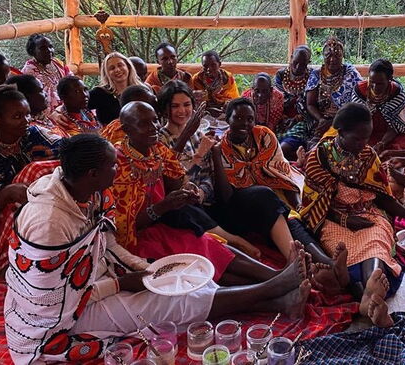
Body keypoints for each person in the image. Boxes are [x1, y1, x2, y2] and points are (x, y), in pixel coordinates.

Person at [4, 134, 311, 365]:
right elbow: (50, 300)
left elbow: (107, 243)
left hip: (94, 285)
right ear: (92, 174)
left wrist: (145, 269)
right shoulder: (49, 223)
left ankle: (281, 301)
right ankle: (274, 288)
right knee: (172, 305)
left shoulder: (86, 193)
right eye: (113, 164)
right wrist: (122, 284)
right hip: (59, 320)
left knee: (181, 281)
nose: (118, 168)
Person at [113, 102, 295, 286]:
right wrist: (163, 206)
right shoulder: (118, 164)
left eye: (154, 121)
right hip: (138, 237)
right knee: (198, 255)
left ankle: (276, 278)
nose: (153, 128)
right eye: (144, 123)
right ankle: (274, 282)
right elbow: (124, 228)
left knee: (206, 243)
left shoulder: (157, 149)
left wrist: (188, 191)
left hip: (175, 217)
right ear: (126, 129)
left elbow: (179, 180)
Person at [299, 103, 405, 304]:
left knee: (375, 244)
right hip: (331, 218)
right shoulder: (319, 157)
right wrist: (345, 219)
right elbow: (312, 204)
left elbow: (383, 197)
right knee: (342, 248)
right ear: (340, 132)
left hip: (369, 215)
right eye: (357, 138)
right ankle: (364, 291)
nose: (363, 143)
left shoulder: (368, 155)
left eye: (367, 137)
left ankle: (369, 286)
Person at [0, 85, 62, 272]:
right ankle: (2, 255)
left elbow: (67, 148)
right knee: (19, 191)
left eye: (27, 114)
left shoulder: (34, 135)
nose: (26, 121)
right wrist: (8, 192)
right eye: (17, 116)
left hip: (35, 200)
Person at [157, 82, 261, 259]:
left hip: (203, 203)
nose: (182, 111)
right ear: (165, 109)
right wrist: (198, 157)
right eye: (175, 106)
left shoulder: (198, 135)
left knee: (255, 198)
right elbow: (172, 184)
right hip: (182, 206)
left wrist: (202, 193)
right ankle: (233, 240)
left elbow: (208, 176)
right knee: (181, 205)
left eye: (186, 105)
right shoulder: (161, 139)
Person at [212, 98, 302, 261]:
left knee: (294, 219)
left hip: (271, 200)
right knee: (267, 199)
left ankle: (320, 261)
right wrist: (216, 157)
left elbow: (284, 174)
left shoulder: (264, 137)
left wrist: (297, 203)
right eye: (237, 118)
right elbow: (225, 198)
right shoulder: (222, 148)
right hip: (241, 206)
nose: (244, 123)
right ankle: (298, 260)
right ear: (227, 120)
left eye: (249, 119)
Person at [303, 36, 362, 149]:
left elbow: (357, 107)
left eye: (337, 55)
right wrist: (322, 120)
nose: (332, 59)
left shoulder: (351, 74)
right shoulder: (316, 74)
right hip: (320, 121)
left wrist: (333, 122)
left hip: (345, 122)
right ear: (323, 56)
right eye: (328, 55)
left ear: (342, 56)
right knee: (315, 147)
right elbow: (310, 104)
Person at [352, 59, 405, 154]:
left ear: (389, 79)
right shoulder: (359, 91)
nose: (375, 86)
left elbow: (395, 126)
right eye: (372, 81)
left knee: (399, 152)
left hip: (392, 135)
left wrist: (381, 143)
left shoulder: (396, 93)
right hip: (364, 134)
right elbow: (356, 124)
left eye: (380, 84)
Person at [88, 52, 149, 125]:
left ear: (128, 67)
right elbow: (78, 107)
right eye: (112, 68)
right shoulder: (99, 93)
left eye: (120, 65)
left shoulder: (141, 91)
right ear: (106, 73)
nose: (117, 70)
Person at [275, 46, 313, 156]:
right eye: (295, 62)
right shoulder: (281, 75)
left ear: (308, 63)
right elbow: (278, 100)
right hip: (281, 119)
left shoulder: (312, 75)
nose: (297, 67)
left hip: (302, 121)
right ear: (291, 58)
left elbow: (310, 104)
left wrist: (296, 119)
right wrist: (283, 118)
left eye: (303, 64)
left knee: (283, 149)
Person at [21, 34, 71, 112]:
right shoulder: (28, 72)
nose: (49, 50)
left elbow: (72, 82)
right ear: (32, 51)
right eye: (43, 48)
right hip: (46, 115)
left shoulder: (58, 63)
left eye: (50, 47)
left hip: (66, 108)